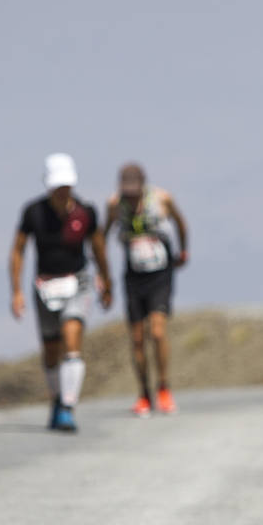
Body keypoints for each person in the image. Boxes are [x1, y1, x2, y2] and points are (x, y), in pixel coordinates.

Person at [9, 153, 112, 432]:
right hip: (45, 287)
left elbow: (99, 247)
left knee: (72, 335)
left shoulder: (86, 213)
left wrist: (106, 279)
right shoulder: (33, 213)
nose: (62, 191)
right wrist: (16, 291)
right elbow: (18, 250)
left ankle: (68, 406)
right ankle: (56, 399)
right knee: (51, 348)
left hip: (77, 282)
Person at [104, 163, 189, 416]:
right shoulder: (114, 205)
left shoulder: (162, 199)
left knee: (158, 331)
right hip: (133, 275)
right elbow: (101, 235)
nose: (130, 195)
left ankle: (163, 386)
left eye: (134, 190)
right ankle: (143, 392)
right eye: (126, 191)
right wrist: (103, 274)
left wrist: (183, 251)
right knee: (138, 338)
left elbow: (181, 224)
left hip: (160, 273)